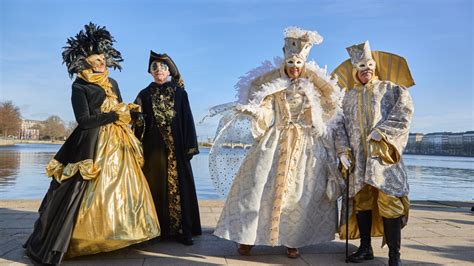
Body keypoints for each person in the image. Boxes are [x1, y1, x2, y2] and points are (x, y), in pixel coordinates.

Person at [24, 23, 160, 265]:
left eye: (103, 60)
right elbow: (84, 120)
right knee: (83, 192)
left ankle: (121, 233)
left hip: (119, 143)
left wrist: (129, 113)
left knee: (125, 189)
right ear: (86, 62)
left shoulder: (114, 83)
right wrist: (113, 115)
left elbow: (118, 107)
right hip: (92, 144)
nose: (101, 64)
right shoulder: (80, 85)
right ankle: (79, 240)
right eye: (96, 61)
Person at [211, 27, 343, 259]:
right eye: (291, 62)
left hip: (305, 145)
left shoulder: (311, 90)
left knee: (298, 194)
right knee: (257, 188)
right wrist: (252, 110)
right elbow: (265, 110)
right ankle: (247, 237)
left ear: (304, 65)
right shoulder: (275, 89)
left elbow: (328, 112)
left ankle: (293, 240)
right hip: (275, 139)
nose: (294, 67)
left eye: (298, 63)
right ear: (285, 63)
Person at [333, 41, 414, 266]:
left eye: (369, 65)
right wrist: (342, 150)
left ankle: (394, 256)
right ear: (355, 70)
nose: (366, 69)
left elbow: (405, 111)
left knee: (390, 201)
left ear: (374, 66)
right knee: (362, 201)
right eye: (361, 66)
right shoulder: (346, 97)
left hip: (383, 157)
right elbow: (338, 125)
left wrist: (384, 131)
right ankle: (365, 248)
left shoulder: (391, 88)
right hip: (358, 158)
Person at [133, 51, 201, 246]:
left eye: (162, 68)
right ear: (150, 73)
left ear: (169, 71)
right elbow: (138, 121)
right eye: (154, 68)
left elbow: (187, 119)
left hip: (177, 146)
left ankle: (183, 230)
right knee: (155, 184)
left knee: (181, 185)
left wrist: (189, 146)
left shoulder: (180, 93)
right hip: (154, 148)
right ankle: (157, 229)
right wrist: (136, 118)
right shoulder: (144, 94)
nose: (158, 71)